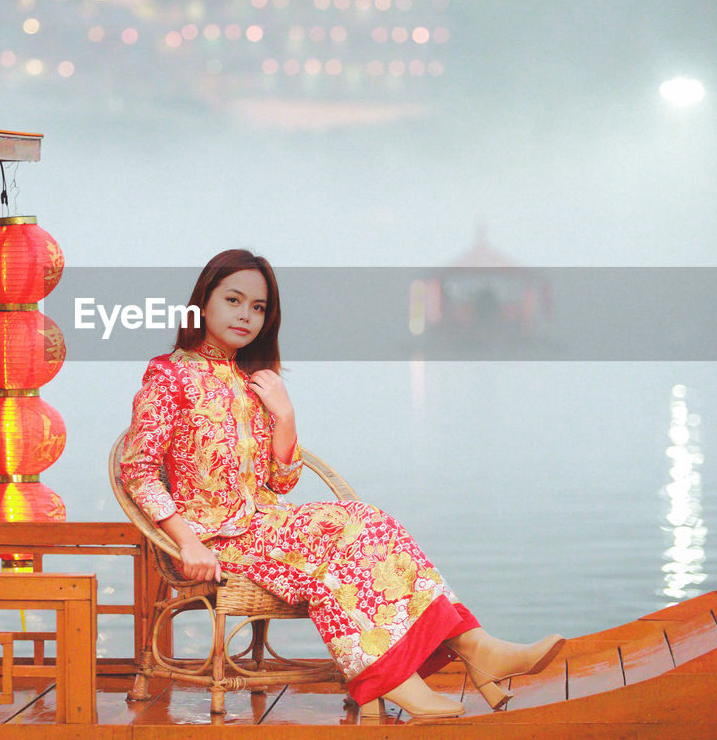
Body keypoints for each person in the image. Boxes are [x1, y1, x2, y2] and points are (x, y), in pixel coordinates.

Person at [119, 249, 564, 722]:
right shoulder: (169, 375)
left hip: (262, 524)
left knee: (370, 521)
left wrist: (284, 415)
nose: (246, 316)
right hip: (212, 539)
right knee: (340, 547)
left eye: (258, 307)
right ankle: (400, 676)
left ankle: (472, 646)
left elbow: (280, 482)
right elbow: (138, 471)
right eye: (233, 300)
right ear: (202, 304)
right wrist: (186, 542)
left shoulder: (253, 381)